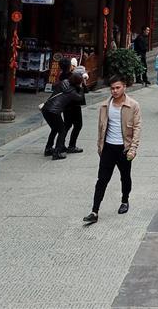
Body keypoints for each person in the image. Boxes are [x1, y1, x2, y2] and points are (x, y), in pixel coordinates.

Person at [82, 77, 141, 223]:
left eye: (117, 88)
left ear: (124, 87)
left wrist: (133, 148)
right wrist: (99, 147)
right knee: (102, 180)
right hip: (108, 147)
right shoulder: (105, 106)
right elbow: (101, 127)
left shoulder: (133, 105)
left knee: (125, 177)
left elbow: (137, 128)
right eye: (112, 88)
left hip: (124, 149)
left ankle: (125, 200)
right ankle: (94, 211)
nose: (114, 91)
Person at [41, 72, 85, 159]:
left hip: (46, 109)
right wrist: (81, 87)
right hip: (54, 111)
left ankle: (48, 148)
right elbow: (80, 98)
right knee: (62, 130)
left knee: (55, 129)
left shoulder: (63, 82)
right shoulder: (72, 92)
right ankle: (57, 152)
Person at [63, 57, 88, 153]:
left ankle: (61, 144)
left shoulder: (64, 76)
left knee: (67, 125)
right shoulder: (73, 76)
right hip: (74, 104)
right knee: (77, 125)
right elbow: (83, 91)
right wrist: (82, 83)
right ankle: (71, 145)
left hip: (67, 104)